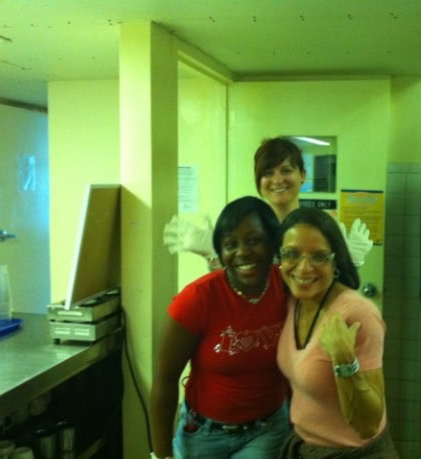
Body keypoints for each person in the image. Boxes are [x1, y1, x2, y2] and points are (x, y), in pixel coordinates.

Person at [150, 196, 291, 459]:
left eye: (254, 240)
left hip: (267, 430)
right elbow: (165, 379)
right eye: (230, 244)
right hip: (203, 434)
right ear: (221, 252)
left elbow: (324, 288)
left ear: (272, 242)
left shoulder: (287, 286)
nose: (242, 252)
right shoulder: (197, 298)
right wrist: (161, 455)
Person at [276, 207, 398, 458]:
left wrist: (344, 359)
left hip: (354, 454)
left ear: (335, 261)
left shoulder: (357, 314)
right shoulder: (293, 301)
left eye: (319, 257)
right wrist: (214, 259)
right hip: (304, 445)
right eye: (292, 254)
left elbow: (367, 425)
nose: (303, 268)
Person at [163, 137, 373, 268]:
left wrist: (350, 263)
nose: (277, 180)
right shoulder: (244, 227)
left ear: (302, 175)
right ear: (258, 180)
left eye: (286, 170)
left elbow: (334, 290)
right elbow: (232, 289)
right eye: (268, 173)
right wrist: (215, 256)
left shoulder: (320, 226)